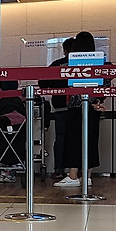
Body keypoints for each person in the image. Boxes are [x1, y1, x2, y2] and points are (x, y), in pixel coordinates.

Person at [54, 35, 104, 187]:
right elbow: (105, 83)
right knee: (90, 140)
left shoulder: (70, 63)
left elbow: (49, 79)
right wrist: (98, 101)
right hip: (93, 107)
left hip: (76, 106)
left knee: (74, 140)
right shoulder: (99, 62)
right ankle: (87, 176)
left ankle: (73, 175)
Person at [40, 37, 75, 177]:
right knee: (77, 138)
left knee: (60, 138)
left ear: (65, 50)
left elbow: (42, 83)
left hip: (60, 107)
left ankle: (59, 169)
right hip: (79, 108)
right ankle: (76, 170)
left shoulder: (57, 65)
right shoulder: (83, 64)